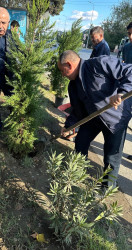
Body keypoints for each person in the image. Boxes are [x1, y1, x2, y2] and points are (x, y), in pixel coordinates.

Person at [58, 50, 132, 189]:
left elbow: (129, 71)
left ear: (69, 65)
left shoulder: (99, 64)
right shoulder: (73, 85)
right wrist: (69, 126)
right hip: (93, 118)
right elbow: (77, 110)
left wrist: (121, 92)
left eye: (63, 71)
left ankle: (108, 187)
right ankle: (78, 170)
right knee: (81, 141)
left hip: (115, 118)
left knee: (111, 156)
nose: (62, 75)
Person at [122, 22, 132, 161]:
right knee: (124, 119)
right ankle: (117, 148)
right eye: (129, 33)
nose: (131, 36)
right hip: (127, 90)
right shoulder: (126, 47)